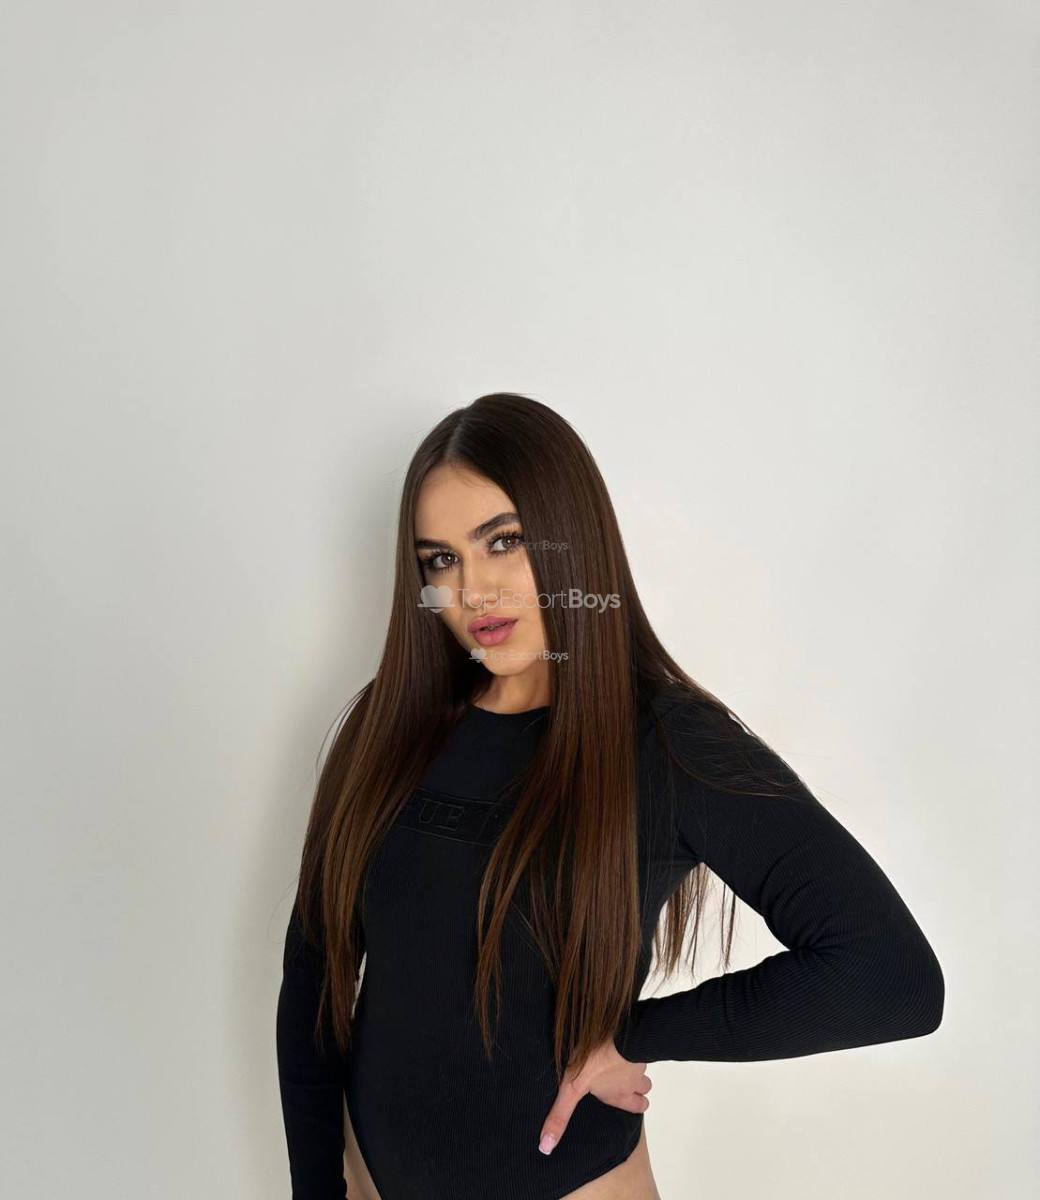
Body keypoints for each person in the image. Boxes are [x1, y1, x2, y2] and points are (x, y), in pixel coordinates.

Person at [275, 392, 944, 1200]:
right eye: (441, 560)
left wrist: (636, 1034)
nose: (474, 590)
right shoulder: (385, 729)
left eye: (504, 541)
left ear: (573, 538)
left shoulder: (667, 744)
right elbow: (313, 983)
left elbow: (889, 975)